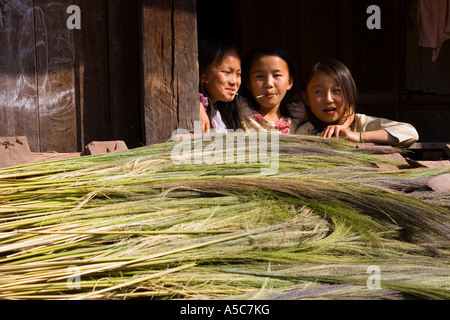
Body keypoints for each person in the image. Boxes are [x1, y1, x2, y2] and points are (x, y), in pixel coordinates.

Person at [295, 59, 419, 147]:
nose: (328, 99)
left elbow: (410, 133)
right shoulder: (303, 128)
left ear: (349, 94)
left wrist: (356, 136)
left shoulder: (360, 124)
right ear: (305, 98)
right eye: (318, 92)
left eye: (337, 91)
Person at [238, 45, 305, 134]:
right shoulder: (240, 108)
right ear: (248, 83)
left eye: (276, 75)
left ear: (289, 82)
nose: (269, 84)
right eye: (260, 76)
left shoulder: (299, 113)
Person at [198, 38, 243, 133]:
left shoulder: (222, 114)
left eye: (238, 74)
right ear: (203, 75)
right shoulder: (197, 110)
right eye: (227, 72)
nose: (234, 81)